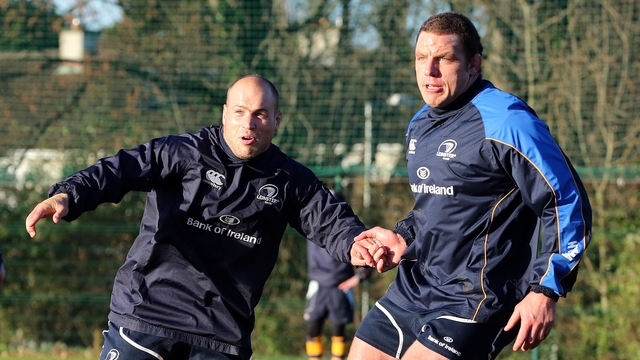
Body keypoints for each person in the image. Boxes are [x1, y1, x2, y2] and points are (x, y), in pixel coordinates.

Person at [25, 75, 399, 360]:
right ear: (225, 113)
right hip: (147, 316)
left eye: (259, 115)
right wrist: (68, 194)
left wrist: (355, 241)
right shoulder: (184, 153)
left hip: (221, 334)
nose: (247, 125)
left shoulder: (289, 180)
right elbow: (121, 169)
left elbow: (329, 218)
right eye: (238, 112)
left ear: (277, 120)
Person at [347, 12, 592, 360]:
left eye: (444, 59)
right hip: (414, 289)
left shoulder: (508, 121)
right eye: (421, 58)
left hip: (476, 299)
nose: (429, 71)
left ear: (474, 64)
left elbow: (565, 201)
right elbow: (439, 209)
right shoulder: (419, 124)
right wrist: (404, 237)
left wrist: (545, 290)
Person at [304, 190, 373, 360]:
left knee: (339, 330)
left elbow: (370, 255)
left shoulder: (350, 227)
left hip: (340, 287)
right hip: (318, 285)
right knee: (313, 329)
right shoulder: (310, 223)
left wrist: (358, 277)